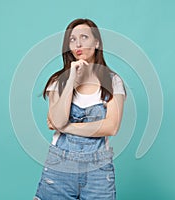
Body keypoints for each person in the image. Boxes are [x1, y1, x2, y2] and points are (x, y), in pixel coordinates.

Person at [34, 18, 126, 200]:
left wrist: (66, 128)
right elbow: (58, 120)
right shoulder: (57, 82)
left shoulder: (113, 81)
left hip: (98, 170)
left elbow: (112, 127)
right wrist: (71, 80)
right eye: (72, 39)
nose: (78, 44)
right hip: (59, 166)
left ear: (97, 42)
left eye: (84, 37)